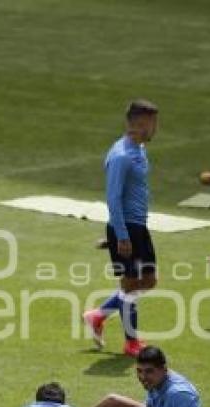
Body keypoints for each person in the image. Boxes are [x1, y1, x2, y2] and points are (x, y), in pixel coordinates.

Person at [83, 100, 159, 357]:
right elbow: (113, 197)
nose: (155, 128)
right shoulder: (121, 156)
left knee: (147, 280)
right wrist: (120, 236)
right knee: (130, 283)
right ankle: (131, 342)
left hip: (137, 226)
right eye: (151, 123)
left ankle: (99, 315)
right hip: (128, 228)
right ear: (138, 124)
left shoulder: (139, 149)